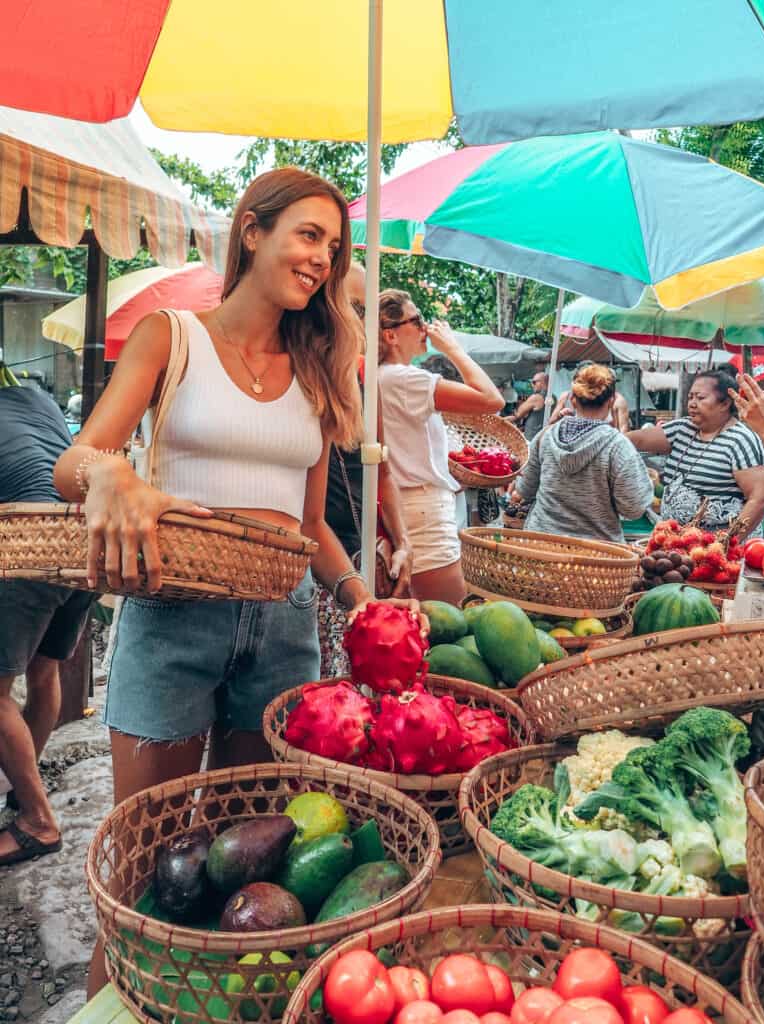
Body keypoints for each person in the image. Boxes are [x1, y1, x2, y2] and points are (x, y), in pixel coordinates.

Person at [52, 169, 424, 995]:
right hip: (172, 618)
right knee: (143, 871)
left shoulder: (321, 368)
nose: (322, 259)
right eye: (307, 235)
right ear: (252, 233)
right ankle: (115, 1002)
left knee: (236, 864)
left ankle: (200, 1007)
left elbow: (314, 525)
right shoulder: (170, 336)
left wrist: (366, 604)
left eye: (332, 246)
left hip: (284, 625)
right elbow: (73, 462)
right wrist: (109, 478)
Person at [0, 384, 93, 866]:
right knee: (44, 671)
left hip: (29, 544)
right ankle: (23, 786)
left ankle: (37, 820)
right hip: (85, 542)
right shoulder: (36, 398)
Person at [377, 289, 504, 605]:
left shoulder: (378, 377)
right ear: (390, 335)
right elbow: (491, 400)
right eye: (416, 320)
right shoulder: (405, 379)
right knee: (447, 621)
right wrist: (453, 348)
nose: (425, 328)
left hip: (397, 506)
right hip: (422, 509)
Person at [320, 262, 413, 677]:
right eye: (350, 304)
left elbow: (382, 470)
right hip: (305, 565)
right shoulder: (293, 369)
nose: (359, 319)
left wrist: (402, 541)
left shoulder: (362, 375)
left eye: (364, 309)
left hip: (357, 556)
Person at [513, 363, 653, 543]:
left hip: (541, 549)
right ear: (610, 402)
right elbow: (633, 508)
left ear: (573, 400)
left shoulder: (545, 436)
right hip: (596, 558)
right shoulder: (617, 445)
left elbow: (524, 489)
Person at [626, 368, 764, 537]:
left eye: (700, 398)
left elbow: (759, 499)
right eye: (690, 397)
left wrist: (727, 542)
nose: (692, 403)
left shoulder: (741, 440)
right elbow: (635, 440)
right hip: (676, 544)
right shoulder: (682, 429)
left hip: (718, 548)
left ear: (725, 404)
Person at [550, 366, 631, 432]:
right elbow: (551, 423)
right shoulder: (566, 396)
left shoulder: (618, 400)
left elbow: (624, 430)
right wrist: (561, 416)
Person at [507, 371, 547, 440]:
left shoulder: (536, 397)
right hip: (543, 438)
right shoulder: (553, 398)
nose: (532, 385)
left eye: (534, 382)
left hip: (532, 437)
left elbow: (518, 414)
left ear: (543, 383)